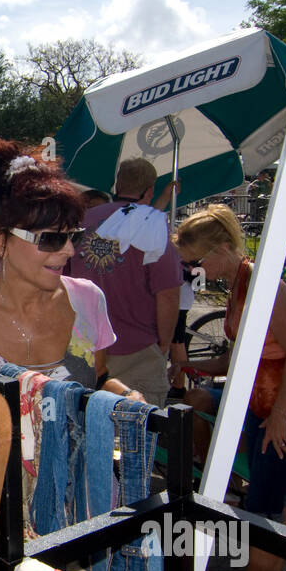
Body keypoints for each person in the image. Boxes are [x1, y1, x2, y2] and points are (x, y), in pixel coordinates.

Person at [172, 205, 286, 571]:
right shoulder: (239, 282)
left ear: (223, 248)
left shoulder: (263, 285)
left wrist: (277, 418)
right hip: (268, 406)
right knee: (270, 494)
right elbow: (242, 357)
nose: (192, 270)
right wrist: (195, 368)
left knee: (263, 506)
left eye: (196, 262)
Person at [0, 136, 141, 401]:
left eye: (73, 235)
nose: (69, 250)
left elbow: (98, 379)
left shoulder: (88, 299)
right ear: (0, 240)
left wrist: (127, 394)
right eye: (51, 238)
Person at [67, 157, 181, 407]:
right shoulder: (154, 228)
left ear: (117, 184)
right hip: (136, 349)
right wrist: (164, 342)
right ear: (150, 191)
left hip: (85, 346)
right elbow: (169, 295)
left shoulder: (84, 221)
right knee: (138, 435)